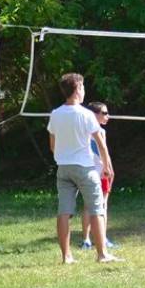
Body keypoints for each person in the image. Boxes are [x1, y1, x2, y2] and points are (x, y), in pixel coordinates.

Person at [47, 73, 119, 263]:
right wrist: (106, 166)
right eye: (83, 86)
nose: (84, 90)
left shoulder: (55, 114)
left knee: (64, 212)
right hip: (85, 168)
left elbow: (52, 145)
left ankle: (66, 256)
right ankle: (102, 254)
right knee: (96, 209)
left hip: (63, 168)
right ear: (78, 89)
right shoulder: (86, 114)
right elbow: (101, 144)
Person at [81, 101, 116, 250]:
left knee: (88, 206)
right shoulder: (99, 131)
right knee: (102, 205)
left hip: (88, 172)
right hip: (100, 172)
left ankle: (87, 240)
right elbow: (103, 152)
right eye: (104, 113)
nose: (107, 116)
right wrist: (109, 169)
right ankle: (101, 239)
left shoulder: (82, 130)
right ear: (94, 115)